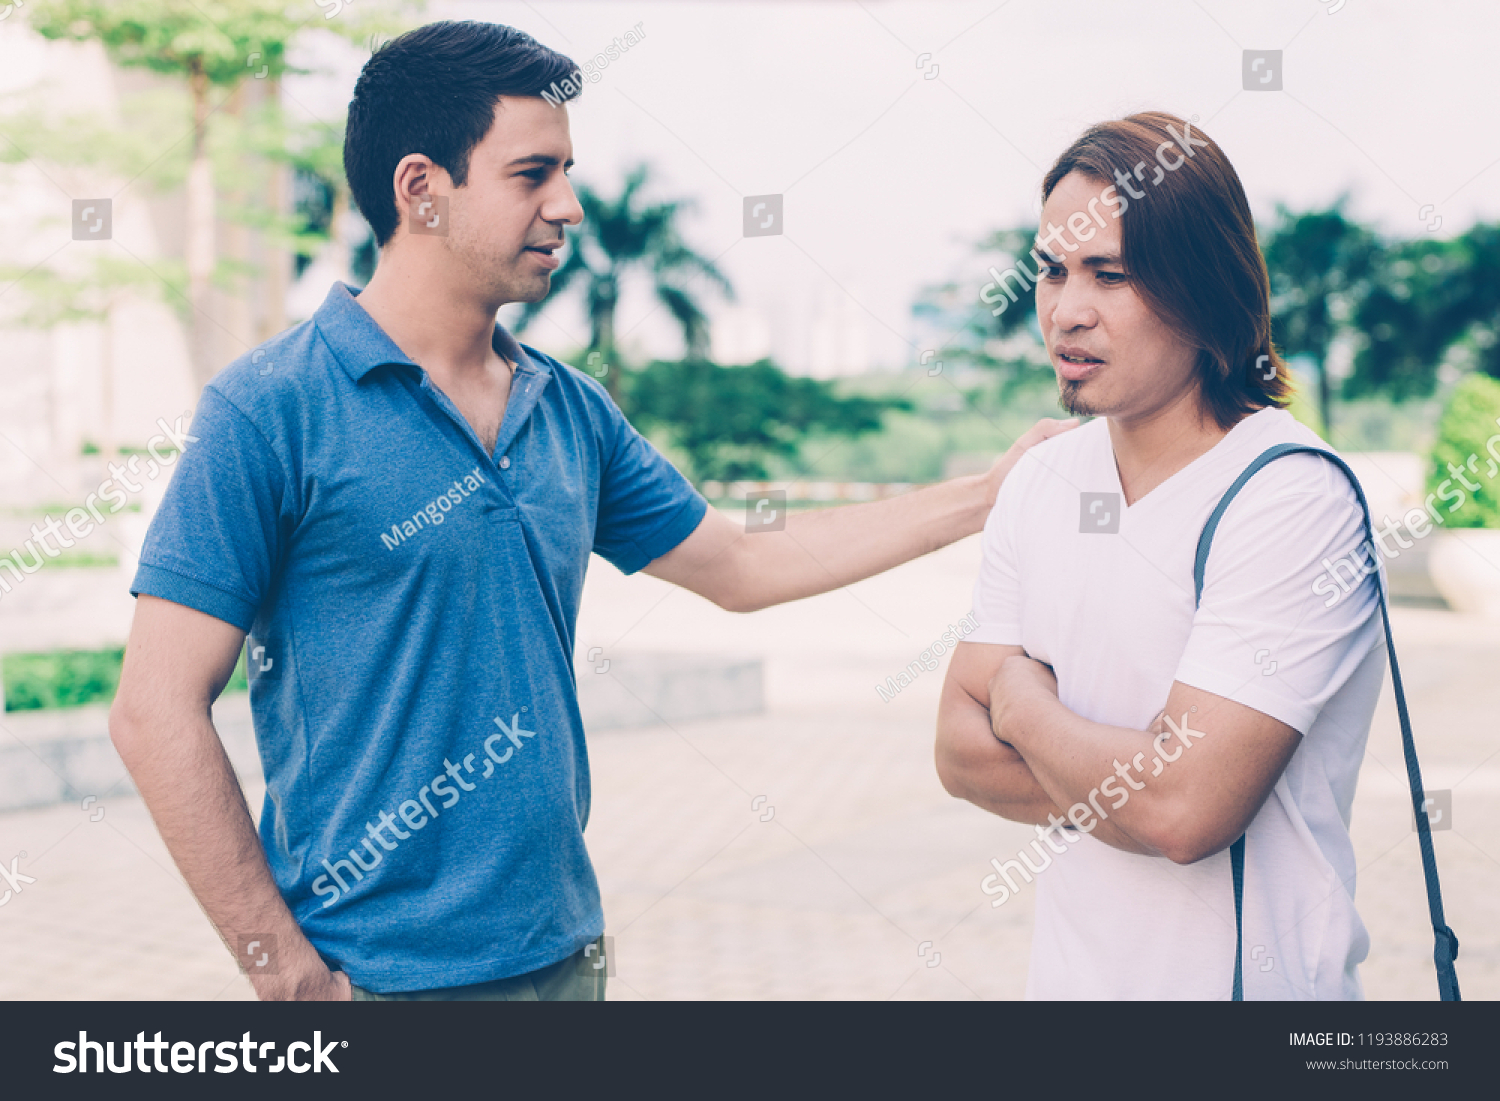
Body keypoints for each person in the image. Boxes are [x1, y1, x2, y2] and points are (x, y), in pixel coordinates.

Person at [108, 20, 1071, 1002]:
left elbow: (741, 565)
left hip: (568, 960)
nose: (568, 206)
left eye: (567, 171)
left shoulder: (567, 409)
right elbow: (153, 710)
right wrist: (291, 981)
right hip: (374, 983)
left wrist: (988, 496)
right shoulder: (269, 411)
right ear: (420, 189)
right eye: (533, 174)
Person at [935, 111, 1385, 1000]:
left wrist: (1022, 701)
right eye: (1051, 271)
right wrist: (1131, 777)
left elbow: (1184, 810)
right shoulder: (1040, 480)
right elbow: (956, 754)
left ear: (1202, 284)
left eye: (1112, 273)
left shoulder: (1288, 495)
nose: (1067, 310)